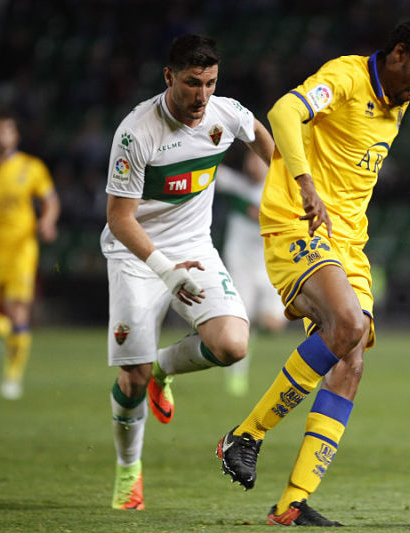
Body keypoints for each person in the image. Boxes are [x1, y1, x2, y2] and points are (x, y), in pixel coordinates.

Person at [216, 17, 410, 526]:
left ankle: (291, 504)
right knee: (347, 326)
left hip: (349, 243)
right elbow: (283, 111)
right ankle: (246, 437)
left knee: (351, 361)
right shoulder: (346, 77)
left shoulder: (398, 107)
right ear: (398, 53)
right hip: (297, 223)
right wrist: (303, 182)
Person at [101, 34, 274, 510]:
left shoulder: (223, 113)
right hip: (135, 255)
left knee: (233, 344)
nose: (202, 96)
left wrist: (284, 179)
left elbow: (259, 135)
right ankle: (129, 470)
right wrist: (163, 269)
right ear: (168, 77)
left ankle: (164, 369)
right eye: (192, 83)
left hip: (195, 246)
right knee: (130, 378)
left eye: (211, 83)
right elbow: (120, 218)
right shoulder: (137, 132)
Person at [0, 112, 60, 400]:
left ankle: (12, 377)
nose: (1, 136)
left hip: (20, 248)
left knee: (18, 309)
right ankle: (7, 334)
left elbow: (50, 200)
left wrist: (48, 221)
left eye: (7, 130)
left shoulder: (30, 168)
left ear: (15, 137)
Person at [216, 151, 287, 397]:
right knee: (241, 326)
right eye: (249, 159)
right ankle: (236, 376)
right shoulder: (236, 185)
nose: (253, 165)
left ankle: (253, 324)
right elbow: (210, 171)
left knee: (272, 324)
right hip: (241, 267)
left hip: (269, 268)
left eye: (258, 160)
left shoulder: (279, 190)